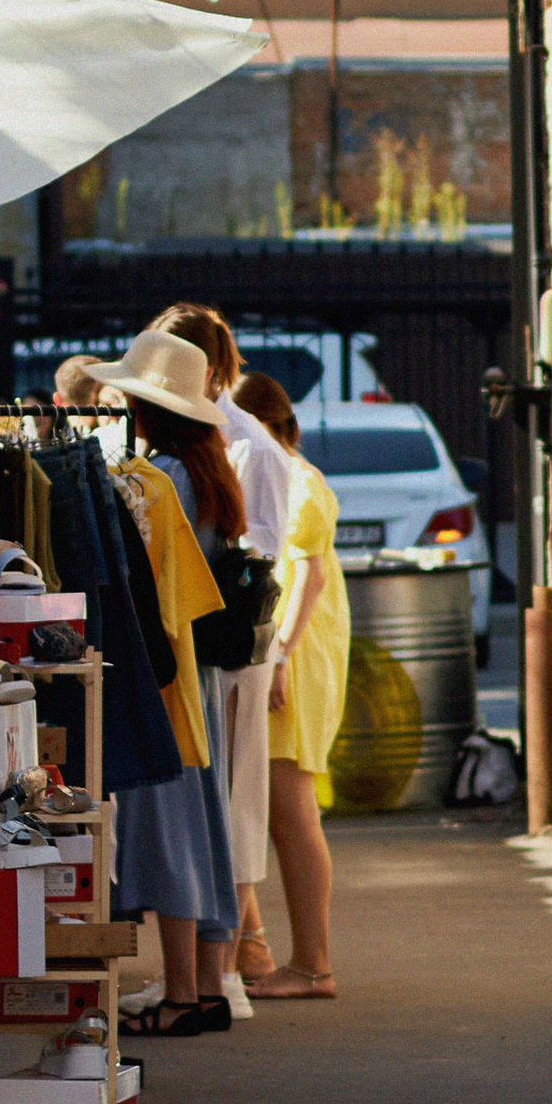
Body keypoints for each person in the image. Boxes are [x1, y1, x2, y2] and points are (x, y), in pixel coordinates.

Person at [102, 325, 241, 1034]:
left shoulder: (158, 481)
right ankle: (206, 987)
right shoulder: (207, 474)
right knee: (203, 826)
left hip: (166, 673)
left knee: (172, 828)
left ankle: (184, 995)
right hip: (199, 673)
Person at [157, 305, 290, 984]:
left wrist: (278, 658)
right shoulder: (217, 446)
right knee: (223, 805)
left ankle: (232, 967)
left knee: (231, 806)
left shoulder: (243, 447)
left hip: (228, 648)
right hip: (216, 646)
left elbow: (265, 558)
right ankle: (232, 962)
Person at [234, 370, 348, 998]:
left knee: (289, 811)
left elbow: (309, 579)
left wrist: (279, 652)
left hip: (292, 661)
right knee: (275, 808)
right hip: (292, 656)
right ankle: (266, 952)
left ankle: (312, 964)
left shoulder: (294, 478)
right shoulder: (291, 472)